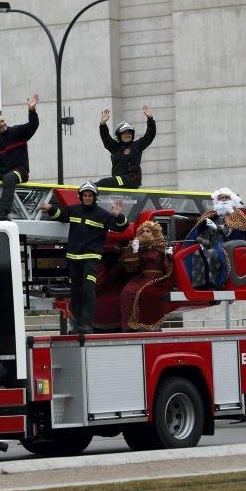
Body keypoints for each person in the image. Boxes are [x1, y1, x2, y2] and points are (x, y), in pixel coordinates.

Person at [40, 182, 128, 334]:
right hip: (74, 258)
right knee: (76, 292)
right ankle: (79, 325)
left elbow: (120, 227)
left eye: (90, 195)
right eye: (85, 195)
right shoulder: (73, 210)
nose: (87, 198)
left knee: (88, 290)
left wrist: (118, 215)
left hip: (90, 259)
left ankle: (87, 324)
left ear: (95, 197)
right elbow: (61, 215)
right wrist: (50, 208)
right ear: (81, 196)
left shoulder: (103, 214)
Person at [184, 187, 246, 289]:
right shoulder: (211, 215)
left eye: (226, 197)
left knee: (212, 255)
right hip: (210, 245)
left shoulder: (238, 216)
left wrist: (218, 228)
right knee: (197, 253)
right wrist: (202, 241)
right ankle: (199, 284)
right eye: (221, 198)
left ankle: (212, 284)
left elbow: (239, 234)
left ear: (232, 200)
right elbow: (203, 232)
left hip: (226, 247)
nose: (224, 200)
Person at [120, 221, 173, 331]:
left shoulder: (161, 246)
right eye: (143, 231)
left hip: (158, 277)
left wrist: (168, 255)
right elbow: (132, 268)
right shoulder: (140, 247)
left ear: (154, 233)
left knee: (143, 293)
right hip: (143, 276)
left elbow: (168, 267)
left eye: (148, 231)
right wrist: (134, 250)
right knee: (126, 292)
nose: (145, 233)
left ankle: (143, 324)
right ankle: (128, 325)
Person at [96, 106, 155, 189]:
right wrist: (103, 124)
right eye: (124, 133)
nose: (128, 134)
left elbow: (150, 135)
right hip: (119, 182)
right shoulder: (114, 147)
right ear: (119, 135)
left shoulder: (137, 145)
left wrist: (150, 119)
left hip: (132, 180)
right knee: (105, 184)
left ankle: (88, 190)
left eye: (129, 133)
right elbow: (105, 137)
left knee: (103, 182)